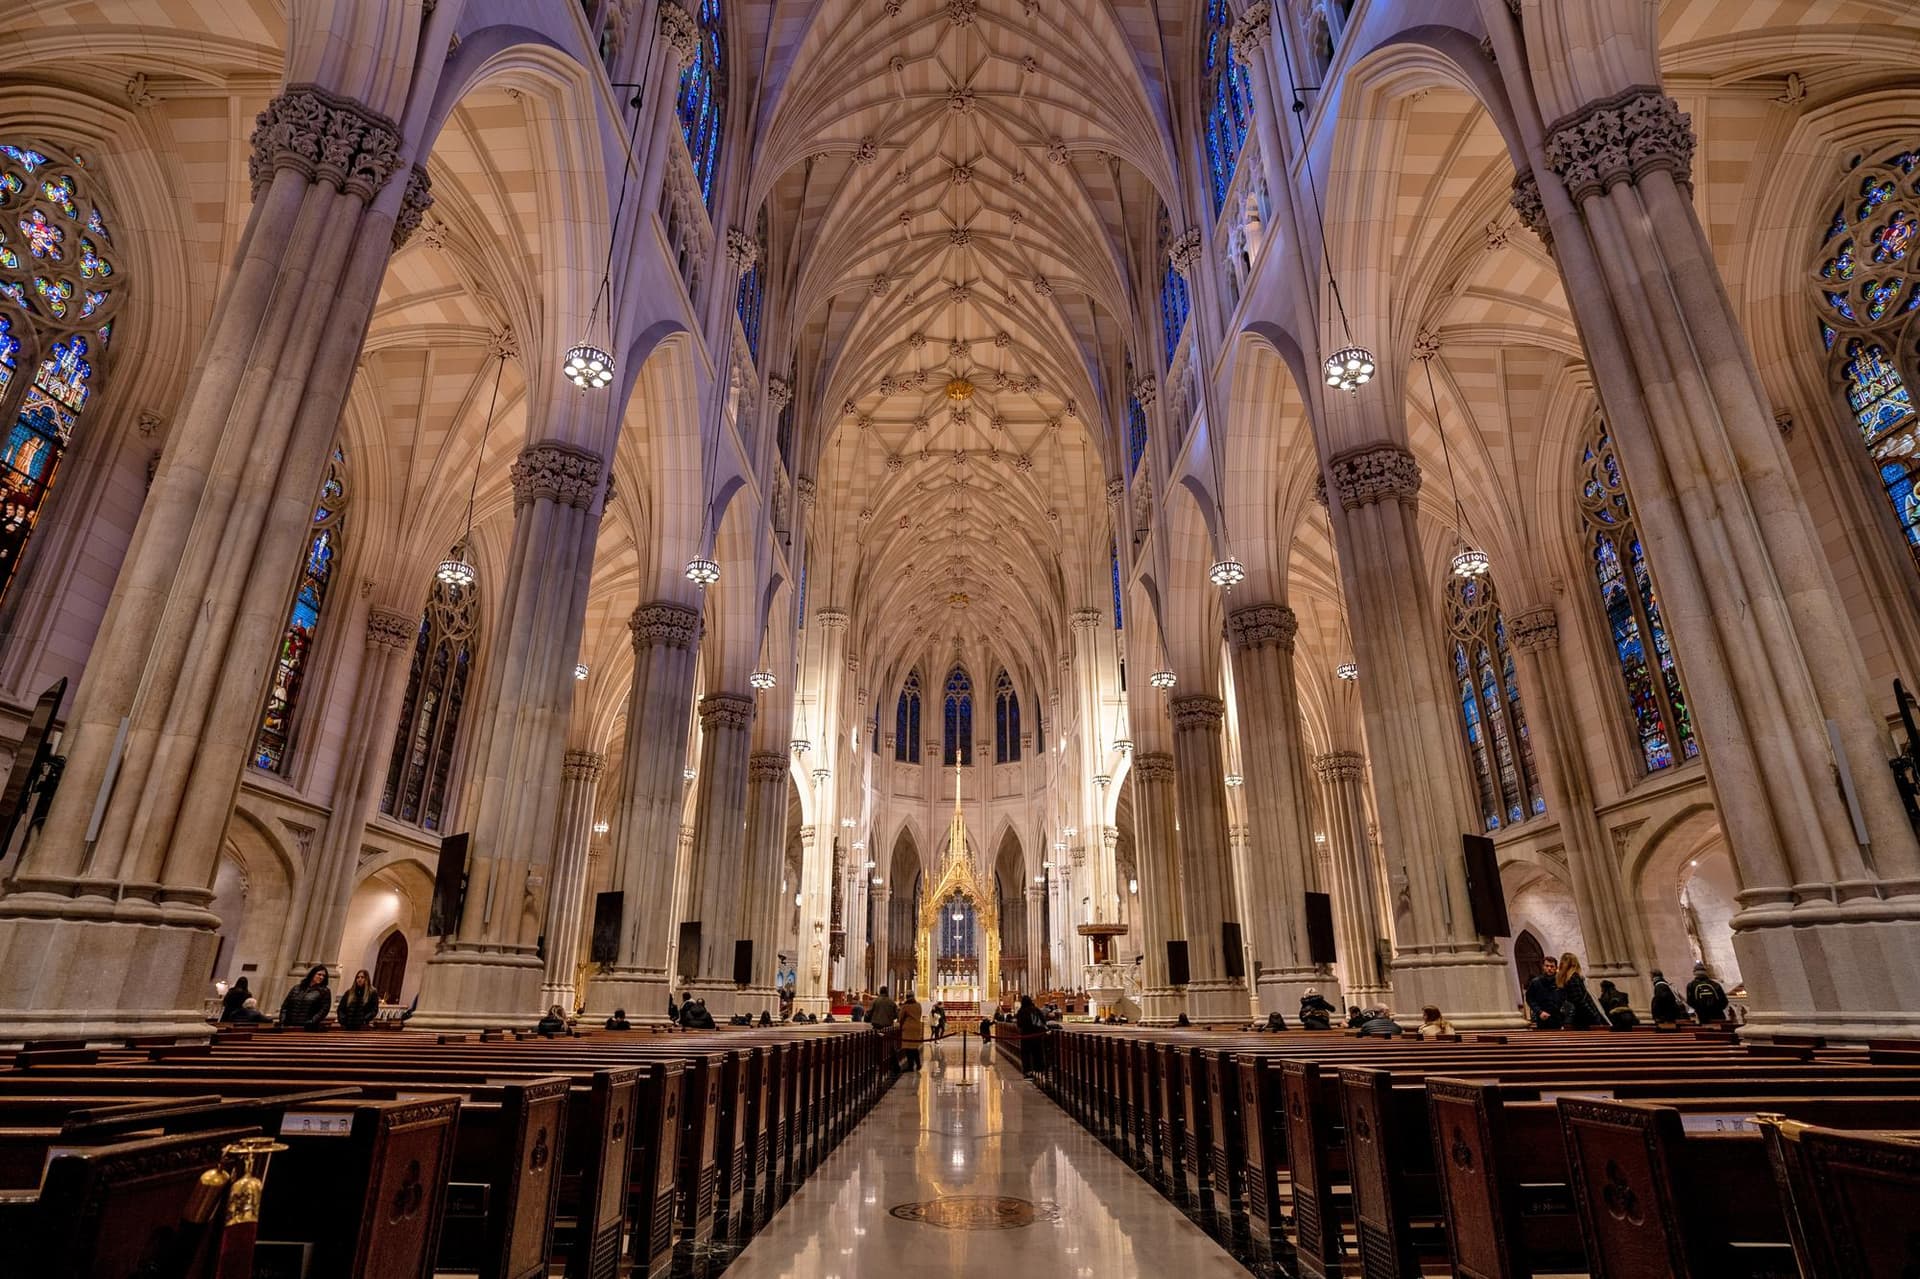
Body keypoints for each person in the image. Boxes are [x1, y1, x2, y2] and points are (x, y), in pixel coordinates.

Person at [1556, 953, 1606, 1029]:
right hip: (1582, 1018)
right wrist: (1594, 1016)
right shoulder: (1573, 978)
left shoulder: (1562, 979)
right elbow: (1579, 1000)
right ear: (1575, 964)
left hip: (1571, 1018)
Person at [279, 964, 332, 1029]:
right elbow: (285, 1007)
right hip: (288, 1025)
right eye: (319, 974)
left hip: (307, 1027)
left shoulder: (324, 991)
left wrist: (311, 1022)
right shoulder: (296, 988)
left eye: (324, 976)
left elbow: (323, 1010)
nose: (321, 977)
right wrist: (282, 1021)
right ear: (312, 974)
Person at [1525, 955, 1564, 1029]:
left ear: (1556, 968)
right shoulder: (1535, 982)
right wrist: (1539, 1011)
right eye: (1547, 966)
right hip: (1542, 1017)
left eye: (1552, 966)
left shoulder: (1560, 982)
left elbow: (1565, 998)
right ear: (1543, 967)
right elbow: (1530, 999)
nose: (1549, 968)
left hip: (1558, 1017)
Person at [1014, 994, 1048, 1075]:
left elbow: (1019, 1024)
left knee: (1026, 1053)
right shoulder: (1036, 1010)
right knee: (1038, 1052)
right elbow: (1043, 1021)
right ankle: (1039, 1069)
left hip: (1026, 1035)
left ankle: (1028, 1070)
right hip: (1037, 1035)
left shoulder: (1021, 1011)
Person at [898, 994, 927, 1071]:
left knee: (908, 1047)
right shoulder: (918, 1005)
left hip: (908, 1028)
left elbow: (900, 1017)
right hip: (917, 1027)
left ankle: (910, 1066)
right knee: (914, 1047)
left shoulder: (905, 1006)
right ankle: (918, 1064)